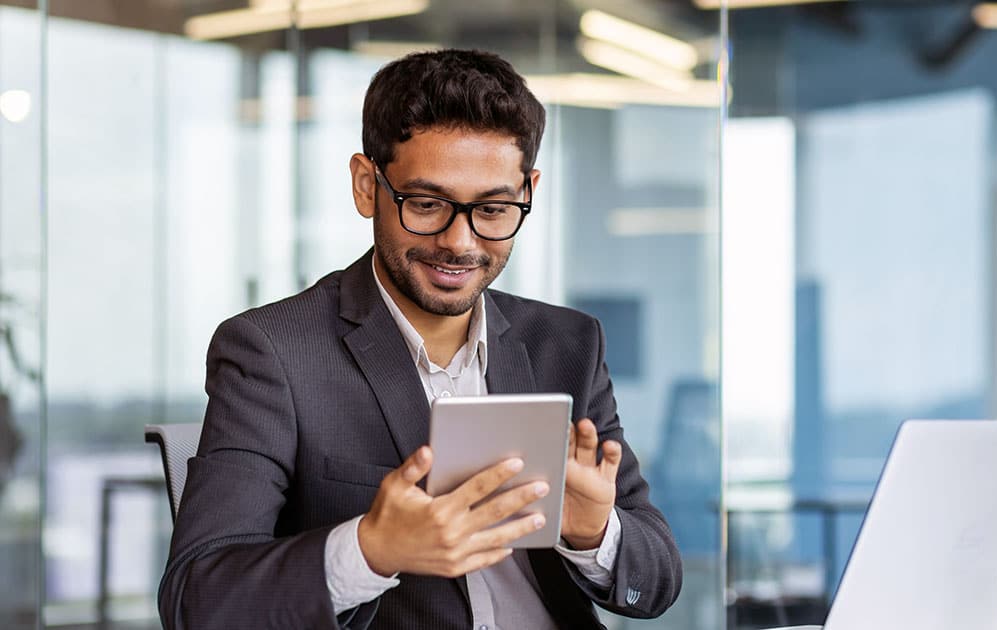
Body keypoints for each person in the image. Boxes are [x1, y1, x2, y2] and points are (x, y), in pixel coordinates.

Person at [157, 49, 682, 629]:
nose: (460, 241)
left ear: (528, 191)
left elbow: (656, 584)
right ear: (366, 186)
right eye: (427, 204)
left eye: (493, 207)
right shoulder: (274, 352)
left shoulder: (567, 344)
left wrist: (594, 535)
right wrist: (370, 551)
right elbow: (196, 601)